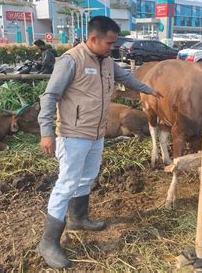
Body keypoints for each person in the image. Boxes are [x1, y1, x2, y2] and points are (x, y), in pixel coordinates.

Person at [37, 16, 162, 269]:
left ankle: (78, 217)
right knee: (67, 183)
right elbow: (49, 96)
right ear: (93, 38)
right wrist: (46, 131)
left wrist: (148, 90)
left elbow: (127, 79)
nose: (112, 48)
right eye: (109, 43)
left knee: (88, 176)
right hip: (73, 135)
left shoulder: (107, 61)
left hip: (97, 134)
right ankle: (48, 242)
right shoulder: (71, 60)